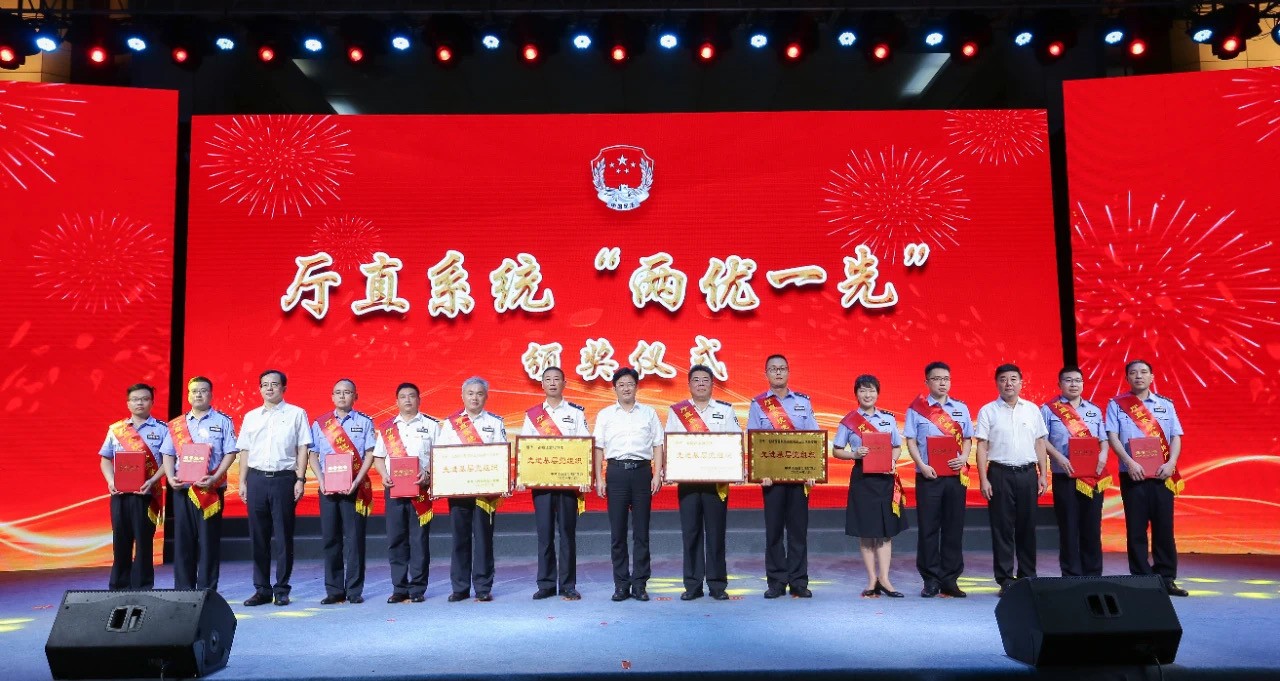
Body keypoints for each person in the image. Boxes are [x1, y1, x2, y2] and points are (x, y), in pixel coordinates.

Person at [1106, 359, 1188, 597]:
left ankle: (1166, 578)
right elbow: (1112, 436)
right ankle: (1141, 579)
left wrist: (1171, 463)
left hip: (1162, 475)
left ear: (1152, 377)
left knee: (1164, 528)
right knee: (1136, 529)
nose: (1139, 376)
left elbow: (1176, 436)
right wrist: (1129, 462)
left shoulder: (1165, 405)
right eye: (1133, 373)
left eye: (1143, 372)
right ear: (1127, 378)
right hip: (1132, 474)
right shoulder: (1116, 404)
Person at [664, 364, 741, 601]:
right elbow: (669, 443)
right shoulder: (677, 411)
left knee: (716, 534)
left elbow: (735, 441)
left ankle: (717, 585)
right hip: (687, 480)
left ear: (712, 384)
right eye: (696, 380)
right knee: (691, 533)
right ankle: (693, 585)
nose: (700, 384)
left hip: (717, 482)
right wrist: (668, 469)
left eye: (705, 380)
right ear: (689, 385)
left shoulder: (725, 410)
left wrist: (738, 469)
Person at [236, 369, 311, 607]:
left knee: (283, 536)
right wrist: (242, 481)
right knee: (258, 537)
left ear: (283, 388)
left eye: (274, 384)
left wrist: (300, 479)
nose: (269, 388)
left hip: (284, 479)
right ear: (259, 389)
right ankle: (262, 589)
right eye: (265, 384)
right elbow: (245, 451)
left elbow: (303, 448)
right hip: (256, 480)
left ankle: (281, 589)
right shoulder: (251, 416)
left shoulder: (296, 413)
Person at [974, 364, 1050, 597]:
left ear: (1021, 382)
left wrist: (1043, 474)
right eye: (1003, 379)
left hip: (1028, 474)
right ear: (997, 383)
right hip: (999, 474)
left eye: (1013, 379)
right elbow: (982, 446)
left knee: (1027, 527)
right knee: (1002, 528)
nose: (1009, 383)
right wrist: (983, 479)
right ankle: (1005, 578)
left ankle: (1028, 576)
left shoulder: (1032, 410)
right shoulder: (988, 411)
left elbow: (1039, 443)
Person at [746, 354, 818, 599]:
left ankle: (798, 581)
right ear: (766, 373)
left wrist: (812, 470)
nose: (778, 372)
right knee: (774, 531)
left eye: (782, 368)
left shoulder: (803, 402)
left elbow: (813, 438)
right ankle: (776, 581)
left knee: (798, 531)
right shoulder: (758, 404)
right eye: (773, 369)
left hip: (799, 477)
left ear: (788, 372)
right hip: (771, 478)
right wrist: (759, 473)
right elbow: (753, 441)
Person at [832, 374, 907, 599]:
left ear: (878, 393)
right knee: (866, 532)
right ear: (856, 394)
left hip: (885, 479)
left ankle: (885, 579)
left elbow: (896, 446)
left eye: (871, 390)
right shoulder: (848, 421)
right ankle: (872, 579)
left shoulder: (888, 419)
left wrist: (892, 461)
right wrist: (854, 454)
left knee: (885, 533)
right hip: (862, 480)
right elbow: (837, 450)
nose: (867, 394)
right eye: (863, 390)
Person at [593, 367, 664, 602]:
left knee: (642, 533)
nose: (626, 388)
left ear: (636, 387)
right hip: (616, 473)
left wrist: (657, 474)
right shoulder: (605, 415)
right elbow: (598, 447)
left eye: (630, 384)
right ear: (614, 388)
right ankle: (621, 584)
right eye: (621, 385)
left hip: (642, 472)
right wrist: (599, 477)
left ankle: (640, 584)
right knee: (618, 533)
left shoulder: (649, 413)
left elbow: (658, 444)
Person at [519, 366, 590, 601]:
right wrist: (522, 476)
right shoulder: (532, 415)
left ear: (564, 383)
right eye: (547, 379)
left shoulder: (576, 413)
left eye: (556, 379)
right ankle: (546, 584)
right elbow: (526, 448)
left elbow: (584, 445)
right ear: (542, 384)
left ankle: (568, 584)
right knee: (545, 534)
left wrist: (584, 477)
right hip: (542, 483)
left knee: (567, 534)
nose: (552, 383)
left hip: (568, 483)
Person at [904, 361, 974, 598]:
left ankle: (950, 579)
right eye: (936, 379)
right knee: (928, 528)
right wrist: (922, 466)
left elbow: (967, 438)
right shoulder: (916, 409)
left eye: (946, 379)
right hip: (928, 476)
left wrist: (963, 458)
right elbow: (911, 440)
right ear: (927, 382)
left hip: (955, 476)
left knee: (954, 527)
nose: (942, 383)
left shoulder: (961, 408)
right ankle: (930, 579)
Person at [163, 376, 239, 591]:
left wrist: (216, 477)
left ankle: (207, 589)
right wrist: (170, 476)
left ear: (211, 394)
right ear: (188, 395)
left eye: (203, 390)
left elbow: (231, 452)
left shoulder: (223, 421)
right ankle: (184, 590)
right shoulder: (176, 425)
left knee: (208, 542)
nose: (198, 394)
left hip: (210, 489)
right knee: (183, 542)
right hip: (183, 490)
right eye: (194, 391)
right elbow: (168, 453)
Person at [436, 376, 508, 602]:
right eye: (470, 393)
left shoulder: (495, 423)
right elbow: (441, 454)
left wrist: (503, 482)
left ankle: (483, 587)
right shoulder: (450, 424)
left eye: (479, 393)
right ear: (462, 396)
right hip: (458, 490)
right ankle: (460, 587)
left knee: (484, 539)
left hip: (485, 491)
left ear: (486, 396)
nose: (474, 397)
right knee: (460, 538)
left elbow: (502, 454)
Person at [98, 383, 173, 590]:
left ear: (152, 402)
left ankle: (142, 586)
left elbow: (168, 461)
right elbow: (105, 459)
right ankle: (119, 585)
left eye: (145, 399)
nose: (140, 403)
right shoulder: (116, 430)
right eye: (135, 399)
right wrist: (111, 481)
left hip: (147, 494)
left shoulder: (163, 429)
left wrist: (153, 480)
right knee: (120, 540)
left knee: (144, 541)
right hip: (120, 495)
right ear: (128, 403)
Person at [308, 379, 376, 605]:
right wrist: (321, 480)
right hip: (328, 488)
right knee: (331, 539)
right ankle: (334, 590)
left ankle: (354, 590)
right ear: (332, 396)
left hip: (354, 488)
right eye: (338, 392)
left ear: (355, 396)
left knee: (355, 540)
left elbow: (370, 453)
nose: (342, 396)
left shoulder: (365, 422)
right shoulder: (320, 424)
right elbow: (312, 455)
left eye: (347, 392)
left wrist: (358, 479)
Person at [372, 382, 438, 603]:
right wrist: (383, 475)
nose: (407, 400)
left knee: (419, 540)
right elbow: (378, 457)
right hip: (394, 489)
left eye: (412, 396)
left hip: (421, 490)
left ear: (419, 399)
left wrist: (428, 473)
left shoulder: (431, 425)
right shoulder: (387, 428)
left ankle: (418, 588)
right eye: (403, 397)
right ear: (397, 401)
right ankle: (399, 588)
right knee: (396, 539)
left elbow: (440, 456)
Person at [1040, 366, 1108, 578]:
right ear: (1060, 384)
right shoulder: (1049, 409)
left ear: (1083, 384)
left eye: (1078, 380)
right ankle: (1071, 575)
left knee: (1092, 526)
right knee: (1068, 527)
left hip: (1092, 476)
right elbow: (1041, 440)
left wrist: (1103, 456)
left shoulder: (1094, 410)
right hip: (1065, 475)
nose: (1073, 384)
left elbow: (1103, 440)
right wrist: (1058, 458)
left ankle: (1093, 574)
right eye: (1068, 380)